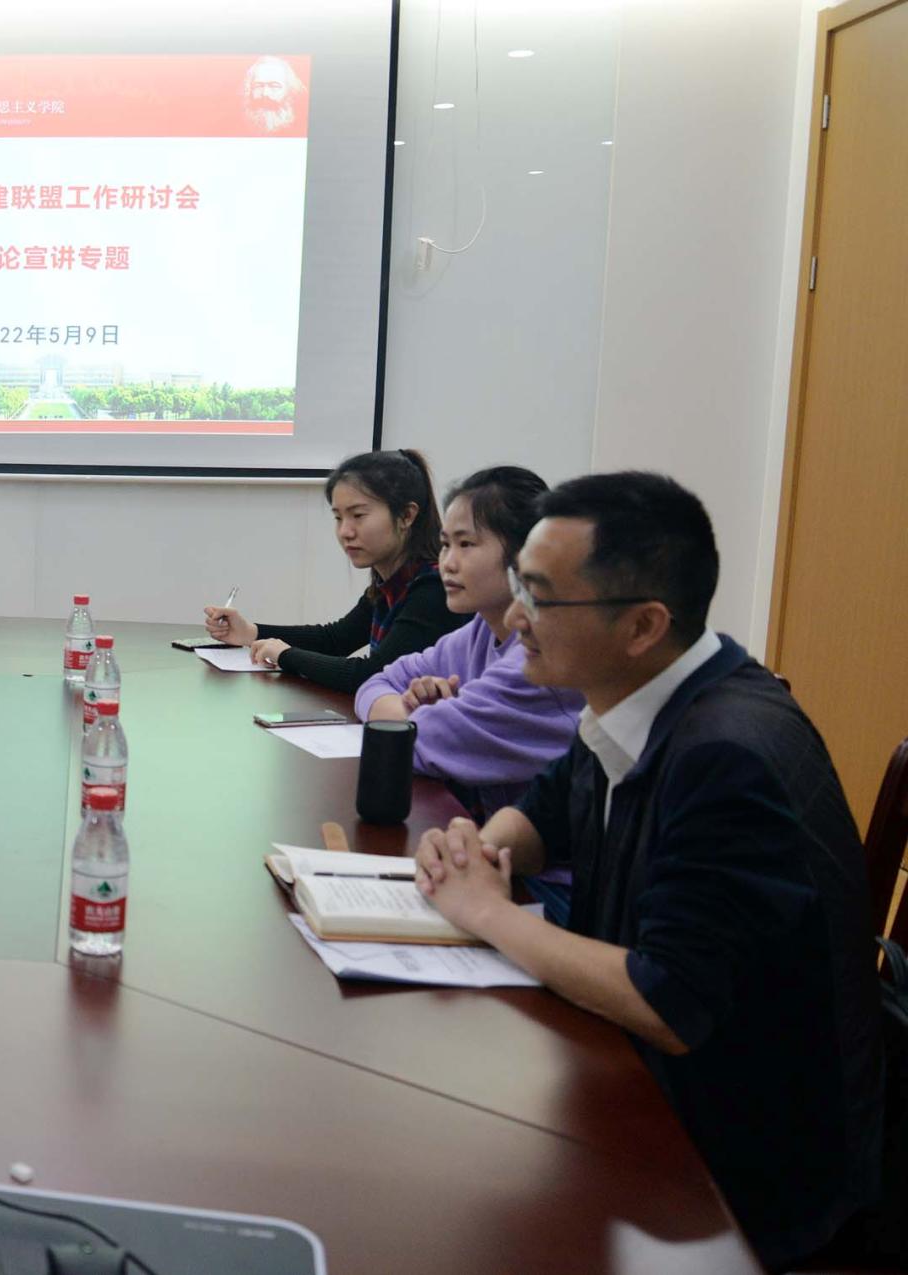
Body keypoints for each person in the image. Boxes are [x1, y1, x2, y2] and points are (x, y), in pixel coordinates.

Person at [412, 472, 883, 1270]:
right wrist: (479, 852)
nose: (515, 619)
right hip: (638, 1085)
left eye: (539, 597)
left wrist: (487, 910)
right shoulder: (631, 694)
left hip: (735, 1178)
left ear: (642, 624)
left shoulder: (727, 753)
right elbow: (545, 812)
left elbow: (669, 997)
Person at [354, 465, 583, 820]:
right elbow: (375, 683)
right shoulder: (480, 631)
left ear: (526, 554)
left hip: (544, 855)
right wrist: (418, 715)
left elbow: (415, 745)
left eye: (466, 544)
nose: (447, 563)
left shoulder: (538, 658)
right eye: (445, 544)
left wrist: (412, 720)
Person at [204, 448, 466, 693]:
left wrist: (285, 655)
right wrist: (250, 632)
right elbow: (335, 639)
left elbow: (373, 674)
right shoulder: (391, 582)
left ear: (407, 516)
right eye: (338, 517)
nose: (345, 532)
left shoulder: (434, 587)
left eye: (358, 515)